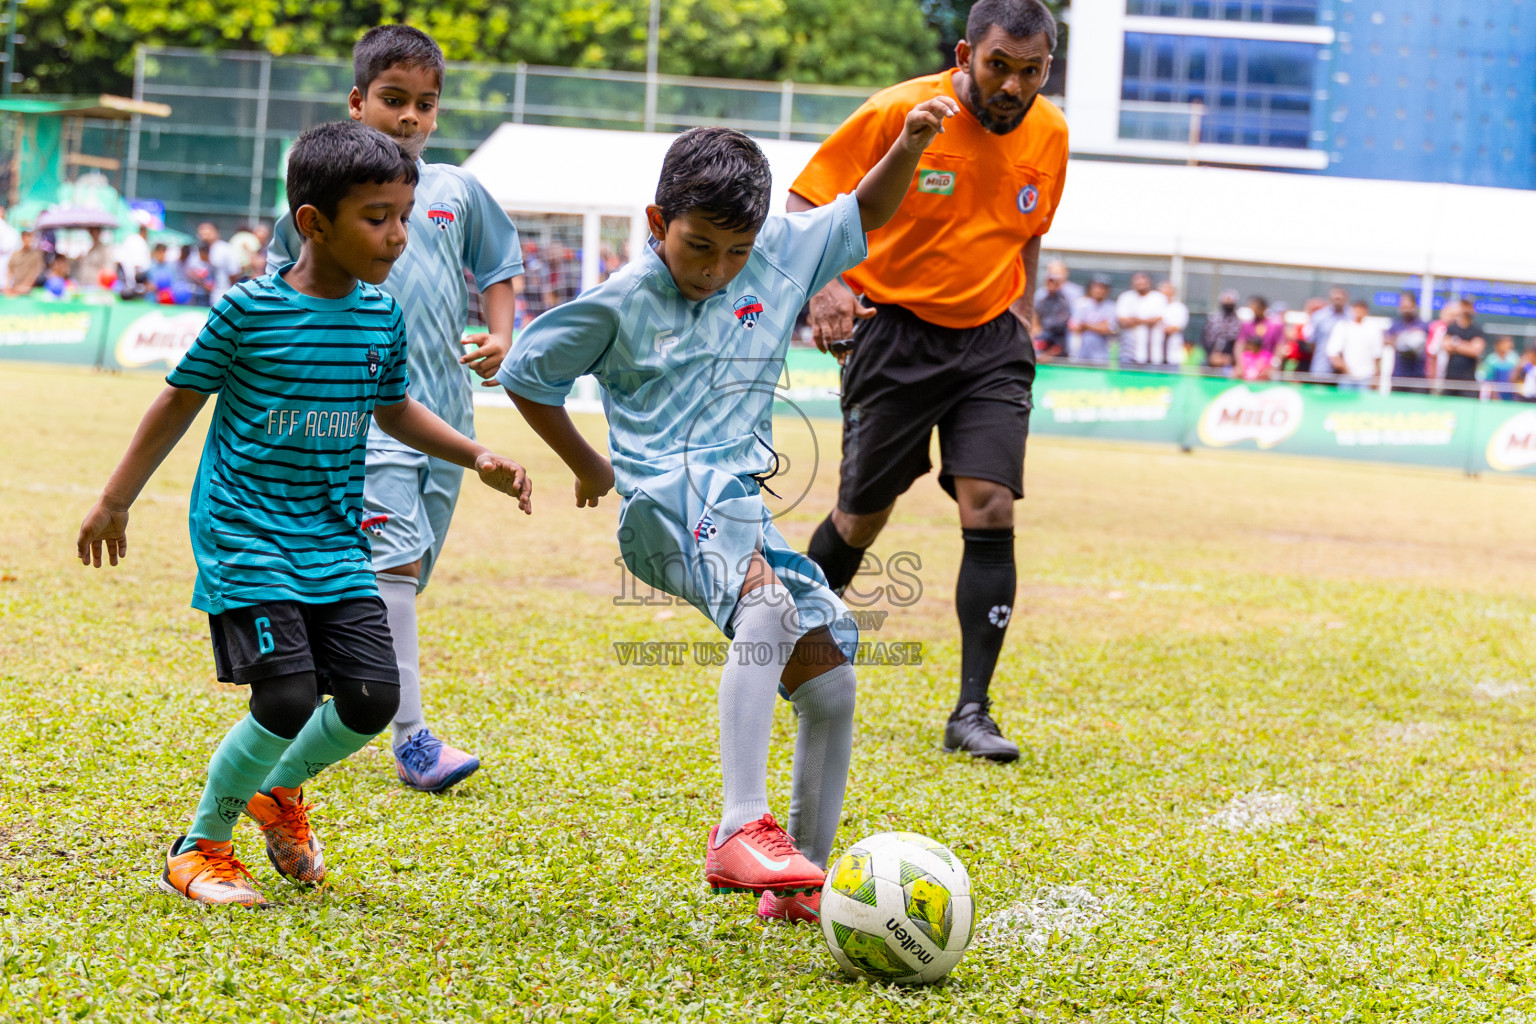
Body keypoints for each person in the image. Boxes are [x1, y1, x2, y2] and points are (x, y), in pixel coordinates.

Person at [501, 108, 956, 922]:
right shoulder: (618, 301)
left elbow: (865, 210)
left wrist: (912, 144)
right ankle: (740, 826)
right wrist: (587, 462)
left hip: (738, 508)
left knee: (832, 683)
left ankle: (797, 887)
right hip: (665, 501)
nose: (717, 269)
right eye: (698, 246)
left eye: (735, 252)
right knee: (768, 609)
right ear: (657, 223)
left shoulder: (778, 253)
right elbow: (529, 375)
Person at [74, 120, 532, 908]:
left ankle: (274, 791)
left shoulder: (379, 317)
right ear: (314, 223)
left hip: (331, 539)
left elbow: (394, 411)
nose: (397, 236)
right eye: (377, 217)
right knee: (284, 698)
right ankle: (199, 847)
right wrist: (115, 501)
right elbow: (177, 401)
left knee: (370, 698)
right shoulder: (248, 312)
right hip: (246, 533)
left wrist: (475, 453)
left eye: (403, 215)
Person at [788, 0, 1068, 763]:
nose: (1013, 86)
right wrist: (829, 284)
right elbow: (807, 200)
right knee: (860, 518)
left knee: (992, 505)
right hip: (896, 333)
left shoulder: (1052, 132)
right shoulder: (899, 111)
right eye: (999, 66)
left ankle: (972, 711)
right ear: (965, 54)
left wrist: (1025, 313)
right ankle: (788, 646)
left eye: (1031, 71)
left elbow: (1030, 231)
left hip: (991, 341)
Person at [269, 25, 525, 793]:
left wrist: (503, 335)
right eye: (393, 100)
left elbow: (501, 264)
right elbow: (289, 289)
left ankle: (331, 679)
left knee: (406, 575)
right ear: (357, 103)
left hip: (445, 417)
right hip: (362, 417)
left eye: (425, 104)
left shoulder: (456, 191)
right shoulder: (321, 197)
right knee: (396, 561)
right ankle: (411, 738)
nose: (410, 117)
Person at [1327, 299, 1386, 391]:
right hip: (1347, 376)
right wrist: (1343, 367)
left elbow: (1377, 355)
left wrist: (1376, 378)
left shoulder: (1373, 328)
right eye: (1356, 309)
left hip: (1367, 376)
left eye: (1361, 310)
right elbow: (1332, 351)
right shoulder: (1343, 326)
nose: (1359, 312)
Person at [1115, 272, 1167, 366]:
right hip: (1129, 352)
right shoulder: (1126, 297)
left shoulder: (1158, 298)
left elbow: (1156, 320)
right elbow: (1123, 321)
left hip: (1152, 353)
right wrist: (1146, 320)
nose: (1140, 284)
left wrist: (1135, 320)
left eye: (1143, 281)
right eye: (1137, 281)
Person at [1441, 299, 1485, 398]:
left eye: (1468, 306)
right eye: (1464, 306)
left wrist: (1456, 343)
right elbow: (1446, 346)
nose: (1466, 310)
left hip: (1468, 381)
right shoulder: (1451, 328)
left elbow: (1476, 350)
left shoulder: (1477, 330)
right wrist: (1468, 346)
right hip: (1450, 380)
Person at [1384, 292, 1429, 389]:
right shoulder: (1396, 324)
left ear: (1414, 306)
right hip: (1399, 374)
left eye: (1408, 307)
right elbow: (1386, 340)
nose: (1406, 310)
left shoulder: (1422, 325)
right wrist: (1401, 339)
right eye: (1403, 307)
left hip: (1417, 375)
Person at [1070, 275, 1117, 363]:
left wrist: (1086, 325)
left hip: (1101, 355)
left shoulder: (1111, 307)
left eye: (1103, 288)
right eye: (1096, 287)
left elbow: (1108, 328)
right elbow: (1075, 327)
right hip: (1080, 353)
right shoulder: (1081, 304)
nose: (1099, 290)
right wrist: (1099, 325)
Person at [1308, 286, 1350, 378]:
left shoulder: (1351, 317)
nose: (1337, 301)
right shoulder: (1319, 316)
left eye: (1340, 299)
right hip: (1322, 367)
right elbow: (1312, 342)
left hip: (1346, 370)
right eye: (1335, 299)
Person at [1033, 268, 1072, 358]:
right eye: (1050, 282)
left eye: (1054, 283)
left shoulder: (1064, 301)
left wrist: (1043, 329)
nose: (1051, 285)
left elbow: (1061, 322)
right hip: (1043, 335)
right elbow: (1036, 314)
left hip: (1058, 337)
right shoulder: (1041, 300)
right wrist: (1037, 328)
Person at [1201, 289, 1242, 369]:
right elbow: (1205, 339)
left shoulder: (1238, 321)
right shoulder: (1213, 319)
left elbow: (1238, 341)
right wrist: (1211, 355)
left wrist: (1230, 357)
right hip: (1212, 358)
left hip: (1230, 360)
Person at [117, 211, 154, 287]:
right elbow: (137, 266)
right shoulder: (137, 241)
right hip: (136, 285)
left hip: (131, 283)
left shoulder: (133, 239)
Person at [1157, 280, 1188, 366]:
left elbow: (1174, 328)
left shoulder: (1179, 307)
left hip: (1172, 355)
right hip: (1154, 356)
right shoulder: (1155, 307)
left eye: (1169, 289)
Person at [5, 229, 44, 295]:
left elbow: (34, 274)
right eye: (27, 236)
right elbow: (10, 271)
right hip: (14, 289)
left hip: (28, 291)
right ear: (22, 238)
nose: (29, 239)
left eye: (31, 236)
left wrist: (24, 286)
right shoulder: (15, 254)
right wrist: (8, 286)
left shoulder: (36, 255)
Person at [1482, 336, 1519, 401]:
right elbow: (1489, 381)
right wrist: (1494, 396)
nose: (1509, 345)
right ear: (1498, 345)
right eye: (1506, 343)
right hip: (1496, 395)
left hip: (1512, 395)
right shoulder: (1491, 359)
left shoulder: (1514, 358)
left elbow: (1516, 378)